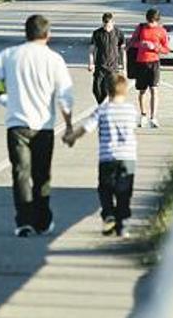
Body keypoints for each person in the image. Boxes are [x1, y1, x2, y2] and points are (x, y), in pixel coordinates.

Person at [0, 15, 74, 238]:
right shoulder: (54, 59)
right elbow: (65, 96)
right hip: (44, 126)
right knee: (42, 175)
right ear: (48, 35)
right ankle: (42, 219)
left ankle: (24, 222)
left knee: (21, 174)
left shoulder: (11, 55)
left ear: (26, 33)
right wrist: (68, 124)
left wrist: (2, 96)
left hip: (17, 124)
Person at [63, 73, 137, 238]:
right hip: (128, 157)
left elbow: (86, 128)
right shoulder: (131, 110)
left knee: (105, 189)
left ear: (106, 90)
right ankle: (122, 223)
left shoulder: (102, 110)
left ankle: (108, 214)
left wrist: (71, 137)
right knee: (124, 191)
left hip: (107, 157)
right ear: (125, 91)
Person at [129, 8, 169, 129]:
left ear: (157, 21)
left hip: (154, 62)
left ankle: (153, 117)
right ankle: (143, 115)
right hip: (141, 62)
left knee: (154, 89)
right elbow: (131, 42)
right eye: (149, 22)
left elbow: (166, 49)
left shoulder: (161, 31)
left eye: (154, 22)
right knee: (142, 91)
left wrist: (155, 47)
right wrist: (140, 44)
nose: (151, 24)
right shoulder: (140, 28)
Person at [88, 12, 126, 104]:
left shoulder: (119, 33)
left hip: (113, 67)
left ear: (113, 22)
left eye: (108, 25)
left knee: (112, 90)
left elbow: (123, 51)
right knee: (96, 89)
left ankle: (110, 108)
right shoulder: (97, 33)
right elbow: (91, 50)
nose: (107, 27)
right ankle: (102, 105)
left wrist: (124, 68)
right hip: (100, 66)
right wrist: (91, 63)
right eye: (105, 25)